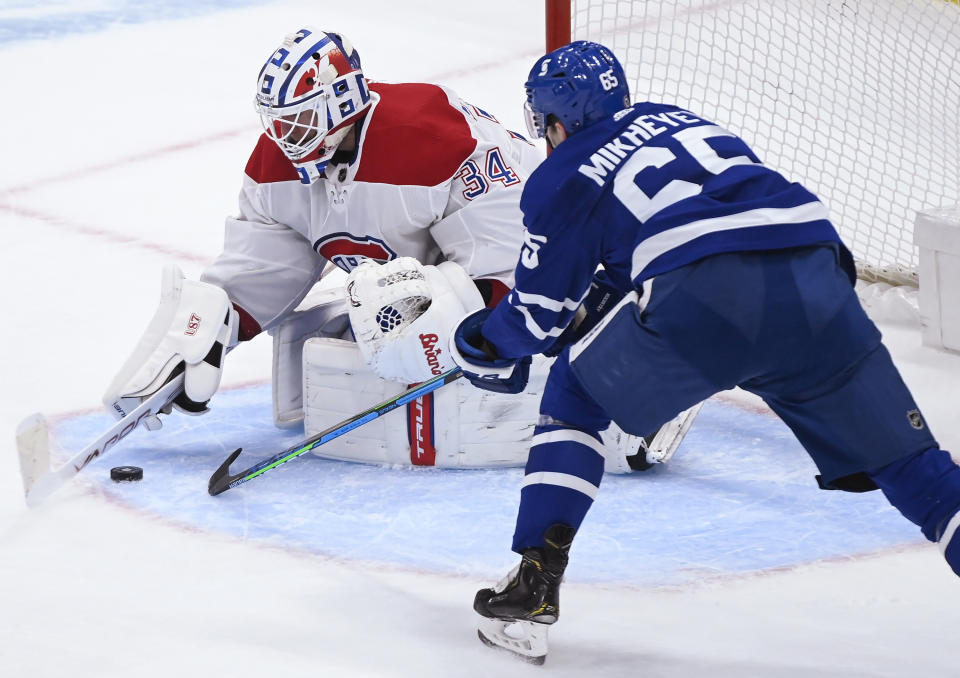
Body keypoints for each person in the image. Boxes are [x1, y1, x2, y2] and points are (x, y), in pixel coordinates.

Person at [449, 40, 960, 661]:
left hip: (709, 290)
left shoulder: (562, 173)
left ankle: (532, 590)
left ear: (557, 120)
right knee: (910, 464)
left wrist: (481, 343)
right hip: (817, 272)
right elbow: (640, 248)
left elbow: (532, 319)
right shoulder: (683, 119)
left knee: (575, 393)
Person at [98, 27, 675, 471]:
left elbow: (510, 257)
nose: (285, 139)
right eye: (278, 123)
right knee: (341, 332)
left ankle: (639, 388)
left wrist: (455, 318)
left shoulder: (431, 137)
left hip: (558, 250)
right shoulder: (276, 166)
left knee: (434, 321)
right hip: (427, 278)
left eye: (300, 122)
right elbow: (263, 266)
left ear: (342, 102)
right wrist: (212, 329)